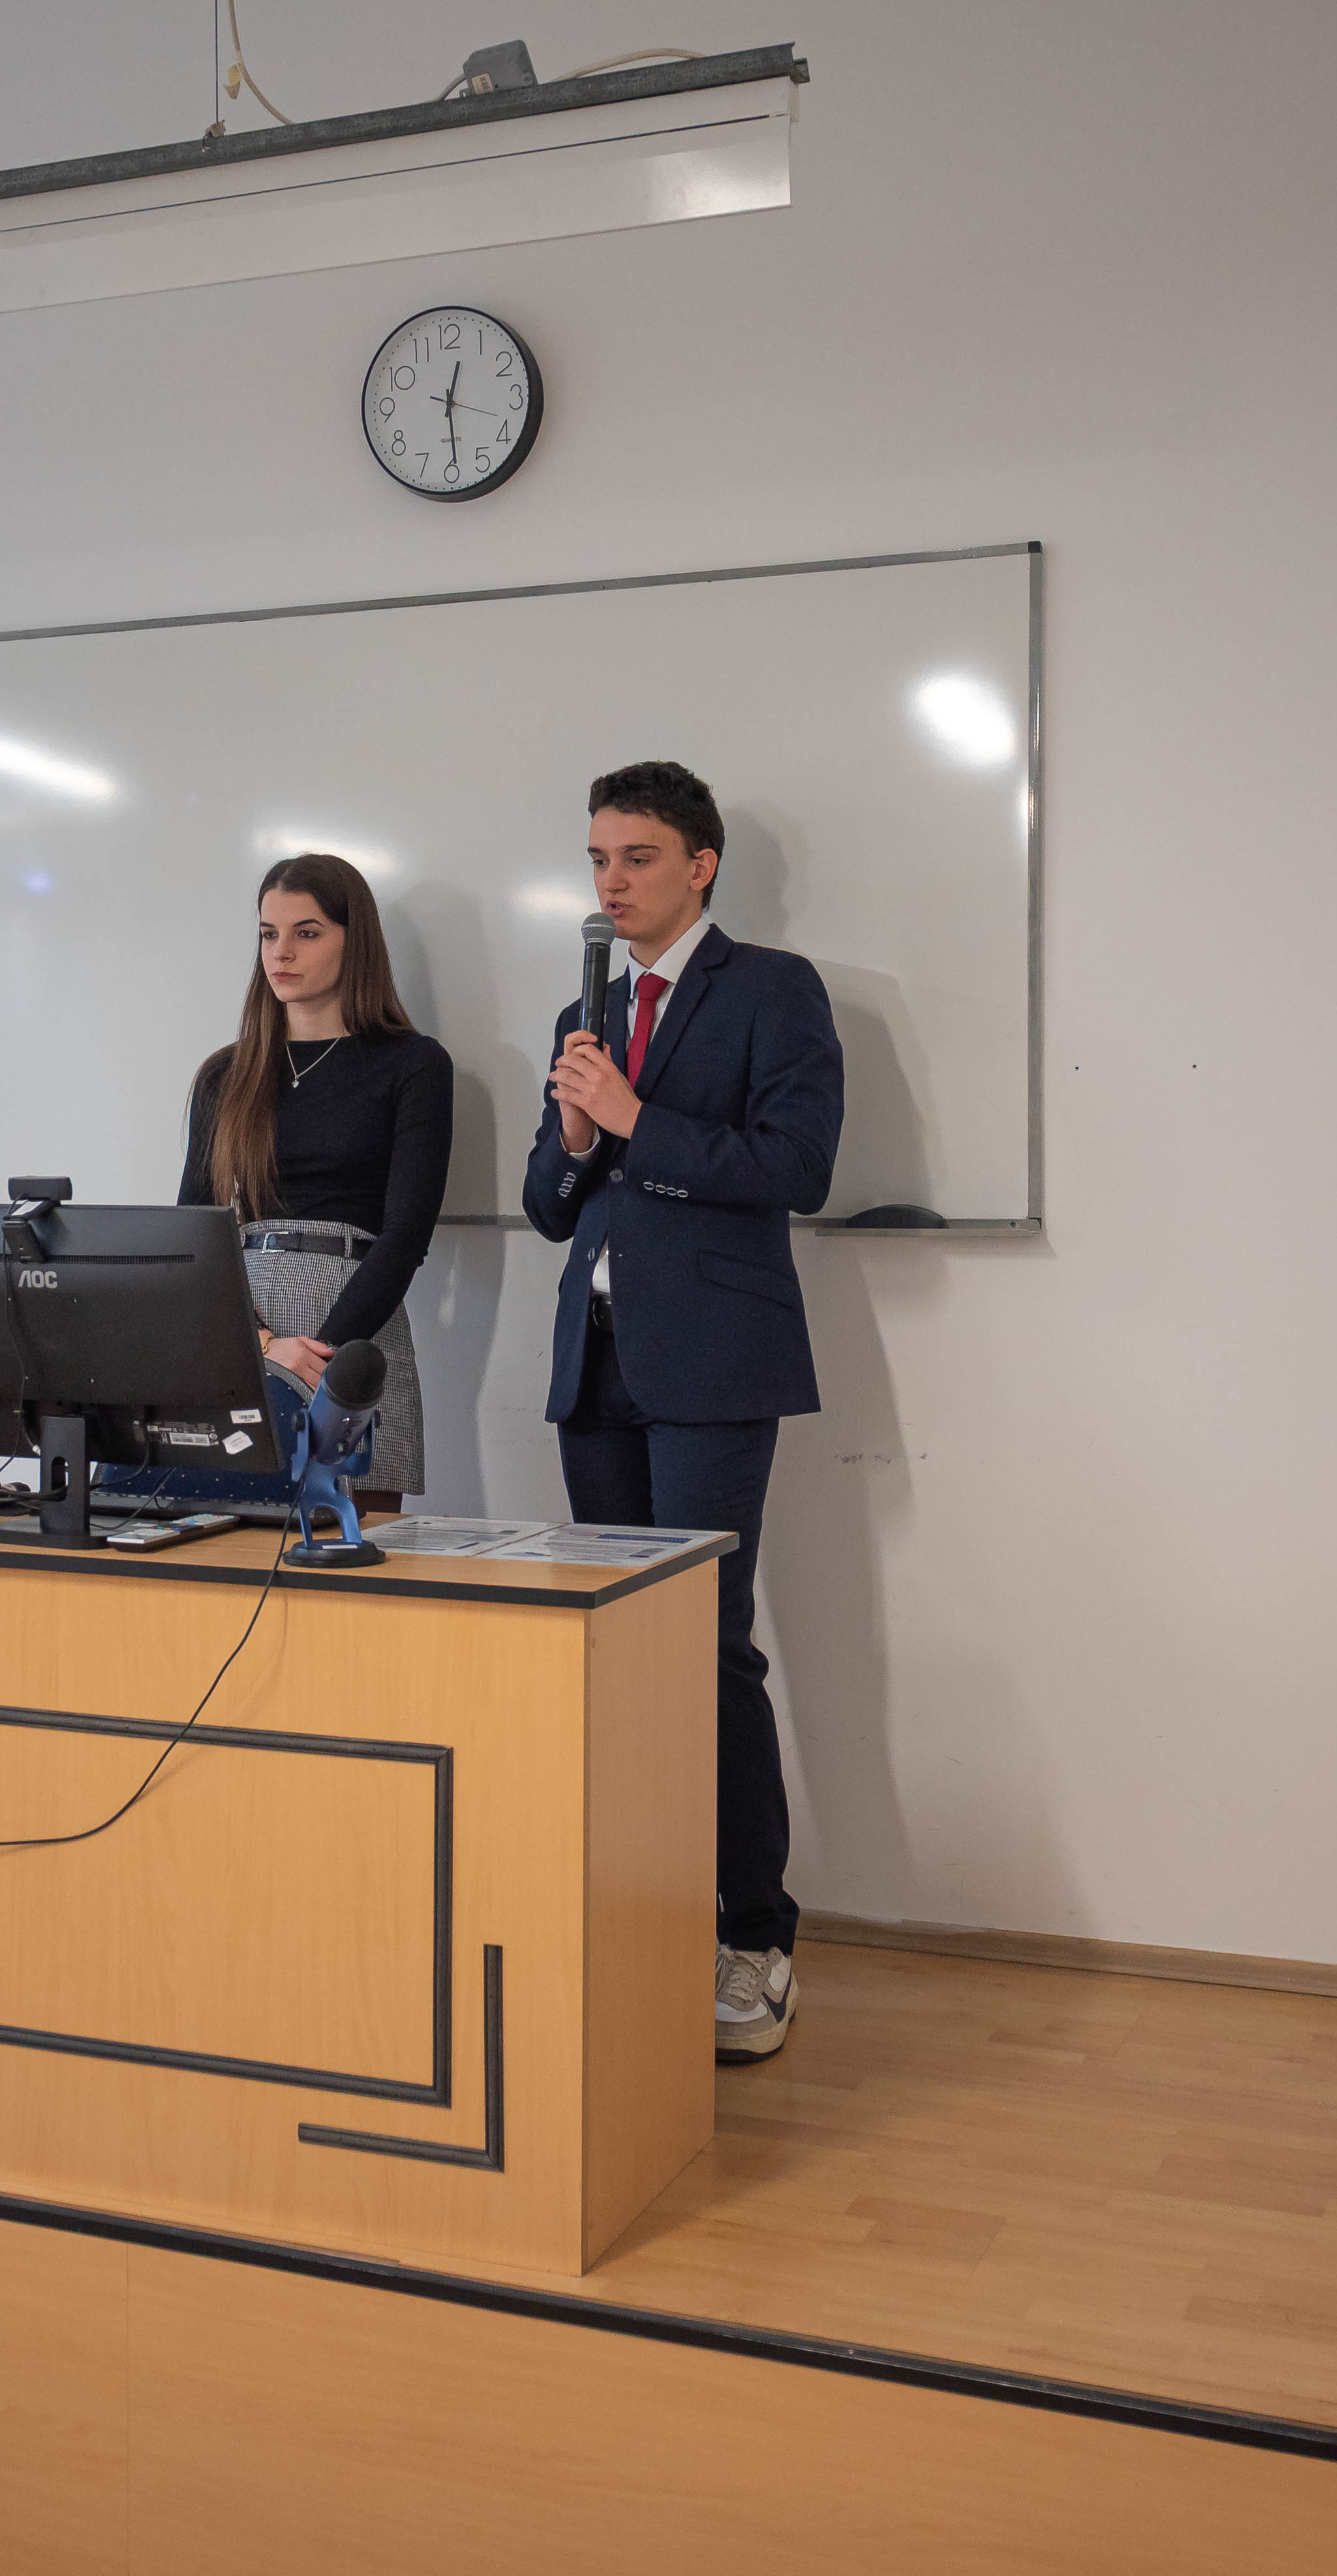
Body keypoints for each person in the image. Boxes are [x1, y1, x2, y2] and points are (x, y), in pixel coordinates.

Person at [524, 759, 843, 2062]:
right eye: (598, 858)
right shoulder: (585, 1006)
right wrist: (577, 1136)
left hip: (712, 1361)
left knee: (706, 1648)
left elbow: (798, 1167)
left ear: (700, 864)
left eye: (638, 856)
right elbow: (549, 1205)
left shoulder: (771, 987)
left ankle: (755, 1938)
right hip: (595, 1365)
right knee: (619, 1649)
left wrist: (633, 1117)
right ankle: (648, 1923)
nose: (612, 880)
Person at [177, 855, 452, 1512]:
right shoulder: (227, 1074)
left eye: (307, 932)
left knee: (356, 1538)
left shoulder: (412, 1064)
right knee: (226, 1536)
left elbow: (405, 1235)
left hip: (357, 1323)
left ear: (354, 942)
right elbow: (194, 1234)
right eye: (269, 934)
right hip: (245, 1327)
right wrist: (261, 1345)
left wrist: (324, 1352)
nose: (282, 952)